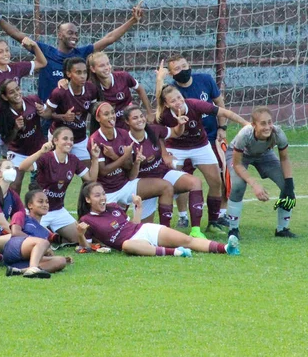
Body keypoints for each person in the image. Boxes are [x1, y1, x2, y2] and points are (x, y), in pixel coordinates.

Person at [0, 2, 143, 102]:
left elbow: (109, 38)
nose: (74, 36)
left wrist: (132, 21)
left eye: (76, 33)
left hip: (72, 112)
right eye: (70, 33)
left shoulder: (81, 53)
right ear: (59, 35)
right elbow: (18, 35)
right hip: (47, 110)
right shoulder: (45, 51)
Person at [156, 85, 249, 235]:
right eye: (173, 101)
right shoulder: (163, 115)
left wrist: (246, 124)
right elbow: (157, 136)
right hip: (176, 149)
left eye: (179, 97)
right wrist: (165, 154)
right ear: (166, 104)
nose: (178, 102)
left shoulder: (194, 104)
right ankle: (174, 222)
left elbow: (224, 112)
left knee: (216, 182)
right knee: (171, 184)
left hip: (200, 146)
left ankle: (213, 223)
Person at [157, 54, 230, 229]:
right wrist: (159, 79)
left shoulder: (205, 79)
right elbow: (159, 105)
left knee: (220, 176)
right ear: (172, 74)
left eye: (184, 66)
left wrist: (222, 127)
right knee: (181, 180)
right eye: (177, 69)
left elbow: (219, 103)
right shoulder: (171, 91)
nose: (183, 70)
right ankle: (183, 216)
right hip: (180, 142)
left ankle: (220, 216)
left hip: (209, 138)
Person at [77, 182, 240, 257]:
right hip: (131, 243)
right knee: (126, 245)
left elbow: (134, 225)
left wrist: (138, 207)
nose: (103, 198)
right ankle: (176, 253)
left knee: (186, 239)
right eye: (97, 195)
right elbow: (87, 248)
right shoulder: (86, 220)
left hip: (143, 230)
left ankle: (226, 248)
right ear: (88, 200)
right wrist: (80, 235)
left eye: (103, 194)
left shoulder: (113, 206)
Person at [123, 104, 208, 237]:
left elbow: (175, 132)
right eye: (135, 118)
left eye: (141, 116)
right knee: (144, 230)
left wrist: (180, 125)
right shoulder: (125, 141)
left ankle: (195, 231)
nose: (140, 120)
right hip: (143, 183)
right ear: (127, 122)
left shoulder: (154, 130)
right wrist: (137, 162)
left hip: (163, 173)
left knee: (195, 182)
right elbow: (131, 176)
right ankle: (163, 234)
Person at [89, 102, 174, 226]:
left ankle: (165, 229)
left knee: (166, 187)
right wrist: (123, 156)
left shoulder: (123, 134)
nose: (111, 116)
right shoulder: (95, 139)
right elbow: (103, 171)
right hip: (107, 192)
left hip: (126, 185)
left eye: (112, 113)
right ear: (98, 118)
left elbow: (129, 168)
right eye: (106, 114)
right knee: (111, 230)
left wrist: (135, 162)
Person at [19, 127, 100, 243]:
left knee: (79, 239)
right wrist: (41, 151)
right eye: (65, 138)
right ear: (55, 141)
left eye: (71, 139)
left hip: (58, 210)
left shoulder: (73, 160)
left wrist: (95, 158)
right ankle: (48, 233)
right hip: (40, 211)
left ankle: (54, 235)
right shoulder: (46, 158)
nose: (69, 142)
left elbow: (91, 179)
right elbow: (22, 167)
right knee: (31, 239)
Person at [226, 107, 297, 239]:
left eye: (270, 122)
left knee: (287, 186)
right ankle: (233, 229)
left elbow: (285, 158)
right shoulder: (244, 134)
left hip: (264, 154)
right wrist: (254, 184)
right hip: (240, 157)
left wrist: (289, 183)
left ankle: (282, 229)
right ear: (254, 125)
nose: (268, 127)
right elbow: (237, 164)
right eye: (263, 123)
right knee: (238, 185)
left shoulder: (278, 133)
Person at [3, 188, 71, 278]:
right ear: (30, 205)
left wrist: (47, 252)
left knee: (61, 260)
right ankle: (33, 268)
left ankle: (20, 271)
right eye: (40, 202)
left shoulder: (44, 231)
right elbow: (15, 232)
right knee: (43, 242)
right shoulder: (21, 215)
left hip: (25, 259)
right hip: (14, 248)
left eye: (47, 202)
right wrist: (41, 244)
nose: (45, 205)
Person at [43, 57, 99, 165]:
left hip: (79, 138)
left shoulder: (91, 89)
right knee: (55, 172)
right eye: (78, 72)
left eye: (84, 72)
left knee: (89, 174)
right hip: (59, 137)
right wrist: (63, 117)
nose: (82, 76)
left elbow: (93, 108)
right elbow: (47, 114)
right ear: (69, 74)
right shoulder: (59, 92)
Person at [0, 79, 45, 195]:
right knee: (14, 183)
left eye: (17, 89)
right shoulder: (4, 114)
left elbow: (48, 114)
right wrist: (15, 129)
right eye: (11, 92)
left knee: (42, 184)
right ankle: (14, 211)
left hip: (38, 149)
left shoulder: (33, 100)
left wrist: (43, 111)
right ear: (5, 97)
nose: (17, 93)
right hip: (17, 152)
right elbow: (6, 140)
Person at [86, 52, 153, 129]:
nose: (107, 67)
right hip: (109, 126)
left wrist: (150, 112)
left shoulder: (123, 76)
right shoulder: (91, 86)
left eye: (108, 64)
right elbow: (91, 109)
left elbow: (140, 89)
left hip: (130, 122)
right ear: (93, 69)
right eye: (102, 66)